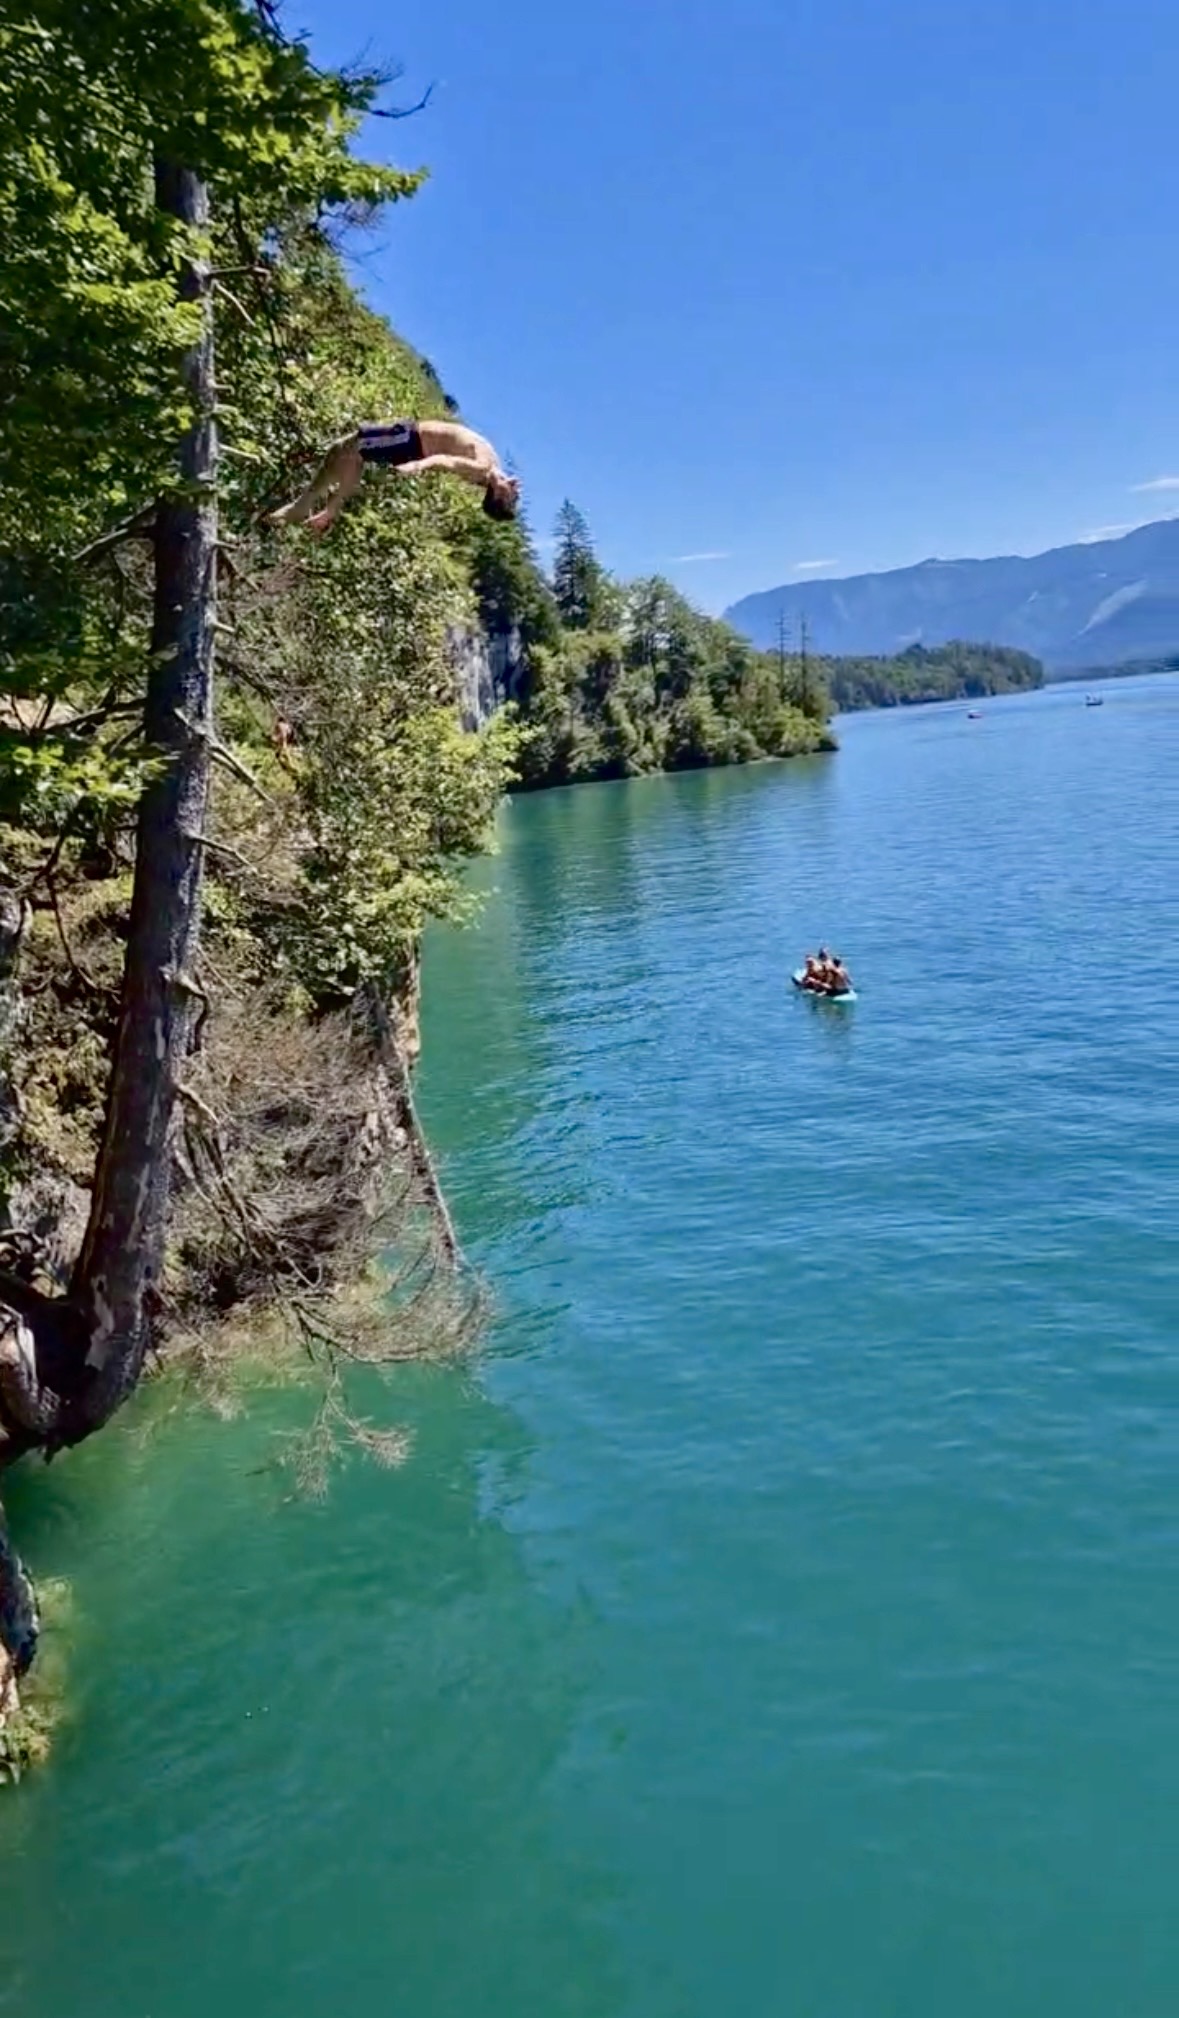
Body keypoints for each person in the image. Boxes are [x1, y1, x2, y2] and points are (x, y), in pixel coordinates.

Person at [270, 418, 521, 534]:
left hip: (410, 440)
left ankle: (308, 508)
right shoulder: (491, 471)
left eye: (513, 497)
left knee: (349, 447)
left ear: (499, 492)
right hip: (411, 441)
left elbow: (445, 461)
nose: (517, 491)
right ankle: (320, 510)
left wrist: (418, 467)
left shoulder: (482, 469)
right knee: (349, 455)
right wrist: (502, 486)